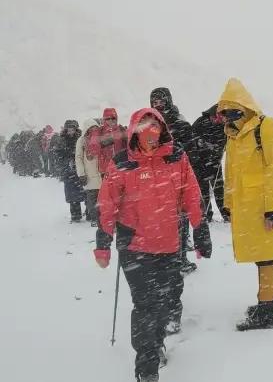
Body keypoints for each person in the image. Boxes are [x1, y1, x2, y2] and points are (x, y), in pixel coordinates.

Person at [93, 108, 211, 382]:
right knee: (145, 304)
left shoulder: (176, 157)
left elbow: (191, 194)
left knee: (162, 303)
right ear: (135, 133)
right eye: (145, 134)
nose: (151, 141)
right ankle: (147, 366)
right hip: (135, 246)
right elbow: (107, 204)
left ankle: (155, 342)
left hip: (169, 245)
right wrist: (103, 242)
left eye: (155, 134)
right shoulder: (123, 163)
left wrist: (200, 228)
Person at [217, 78, 273, 331]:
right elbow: (230, 172)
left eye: (232, 109)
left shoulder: (267, 127)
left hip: (265, 205)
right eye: (224, 111)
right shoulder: (233, 135)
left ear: (245, 106)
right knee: (269, 252)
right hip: (247, 207)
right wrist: (227, 203)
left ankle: (265, 312)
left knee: (266, 257)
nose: (228, 116)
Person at [150, 88, 197, 275]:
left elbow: (190, 150)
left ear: (168, 101)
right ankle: (160, 259)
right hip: (154, 181)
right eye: (154, 101)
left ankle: (181, 258)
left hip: (177, 181)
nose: (157, 104)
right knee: (157, 222)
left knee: (181, 220)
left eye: (161, 101)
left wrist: (174, 154)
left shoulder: (180, 123)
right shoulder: (148, 123)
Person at [191, 104, 230, 222]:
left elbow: (228, 139)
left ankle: (226, 213)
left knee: (219, 189)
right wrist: (199, 143)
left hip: (214, 161)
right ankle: (206, 214)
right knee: (203, 189)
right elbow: (192, 138)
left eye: (220, 118)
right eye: (215, 117)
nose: (217, 120)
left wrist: (220, 148)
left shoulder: (224, 126)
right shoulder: (200, 122)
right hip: (200, 162)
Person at [51, 120, 86, 222]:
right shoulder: (61, 140)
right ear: (66, 130)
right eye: (69, 129)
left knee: (86, 193)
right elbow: (57, 156)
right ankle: (76, 215)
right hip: (69, 171)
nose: (71, 132)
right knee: (72, 196)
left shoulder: (81, 138)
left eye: (73, 129)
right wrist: (67, 161)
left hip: (80, 170)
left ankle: (89, 212)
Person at [75, 119, 102, 227]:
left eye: (96, 128)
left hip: (100, 173)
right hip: (89, 174)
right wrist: (81, 174)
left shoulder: (101, 138)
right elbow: (79, 158)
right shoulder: (81, 141)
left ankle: (100, 217)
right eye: (91, 128)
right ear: (87, 129)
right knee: (91, 198)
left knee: (101, 198)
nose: (94, 130)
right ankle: (94, 218)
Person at [87, 108, 127, 177]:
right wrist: (103, 143)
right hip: (106, 169)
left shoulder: (121, 129)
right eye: (108, 119)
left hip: (121, 167)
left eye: (113, 118)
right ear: (104, 120)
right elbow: (93, 150)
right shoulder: (99, 131)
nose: (111, 120)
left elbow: (129, 147)